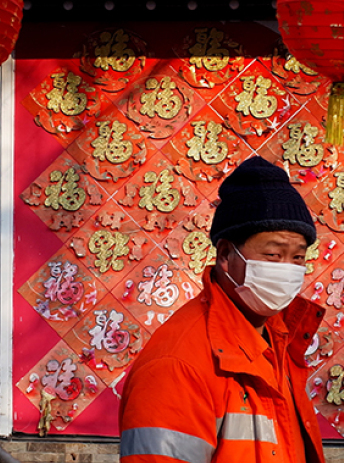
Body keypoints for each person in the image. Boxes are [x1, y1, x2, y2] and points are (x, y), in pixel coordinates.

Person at [119, 156, 325, 463]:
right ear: (227, 254)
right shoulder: (178, 365)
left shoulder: (280, 342)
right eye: (273, 254)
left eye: (297, 257)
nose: (288, 269)